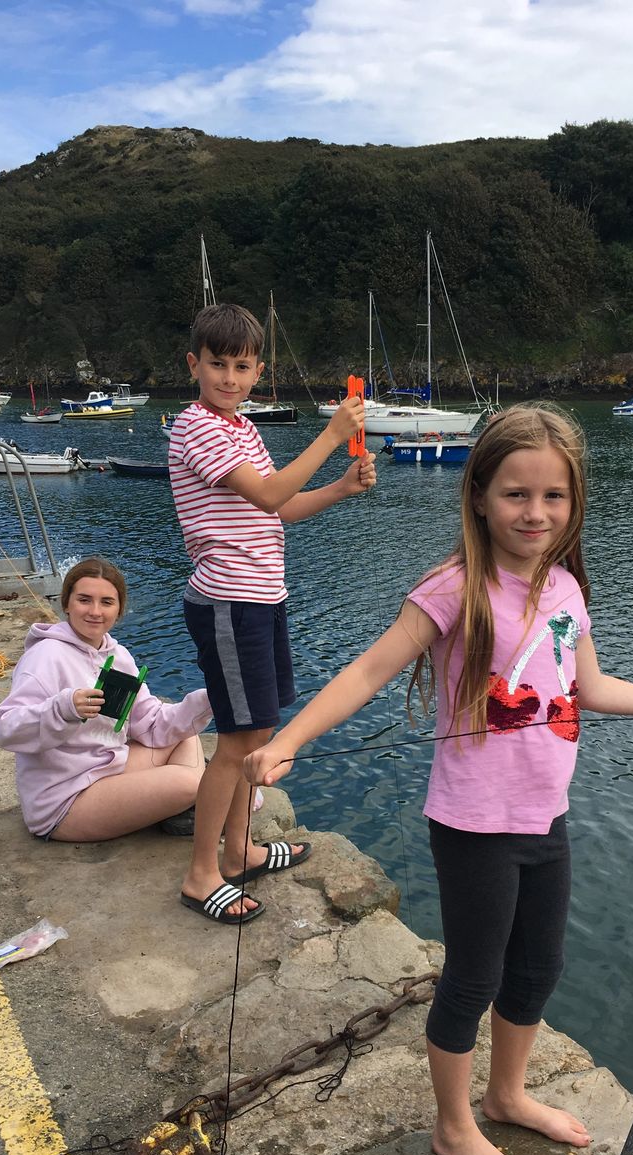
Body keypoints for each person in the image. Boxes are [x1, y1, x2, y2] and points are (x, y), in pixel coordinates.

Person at [245, 404, 633, 1155]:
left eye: (553, 497)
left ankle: (505, 1094)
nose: (534, 513)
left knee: (538, 969)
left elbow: (586, 686)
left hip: (543, 817)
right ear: (480, 498)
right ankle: (454, 1129)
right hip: (472, 825)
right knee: (472, 976)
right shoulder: (452, 588)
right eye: (515, 494)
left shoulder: (563, 588)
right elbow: (366, 671)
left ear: (573, 503)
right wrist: (290, 740)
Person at [169, 301, 376, 925]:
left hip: (262, 599)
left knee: (255, 734)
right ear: (193, 365)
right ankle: (202, 874)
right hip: (228, 600)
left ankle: (240, 851)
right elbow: (268, 491)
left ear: (258, 371)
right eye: (216, 365)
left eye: (241, 366)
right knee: (234, 743)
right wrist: (333, 435)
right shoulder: (196, 427)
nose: (228, 377)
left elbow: (276, 510)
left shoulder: (244, 430)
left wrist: (340, 488)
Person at [0, 558, 211, 841]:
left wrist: (209, 699)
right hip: (66, 797)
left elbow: (152, 725)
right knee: (190, 783)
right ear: (67, 603)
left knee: (187, 735)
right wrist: (64, 708)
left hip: (107, 770)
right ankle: (205, 799)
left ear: (119, 610)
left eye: (106, 602)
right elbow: (7, 730)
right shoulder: (45, 656)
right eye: (85, 600)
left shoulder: (118, 656)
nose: (95, 612)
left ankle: (184, 804)